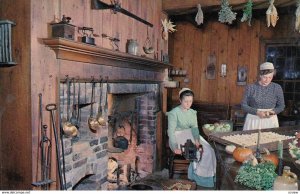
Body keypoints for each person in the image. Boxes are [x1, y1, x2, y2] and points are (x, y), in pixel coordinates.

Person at [167, 88, 216, 188]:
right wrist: (174, 146)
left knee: (209, 150)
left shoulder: (193, 112)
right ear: (180, 100)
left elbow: (194, 128)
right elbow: (171, 132)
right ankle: (196, 176)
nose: (188, 104)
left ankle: (206, 178)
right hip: (178, 135)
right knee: (196, 151)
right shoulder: (173, 113)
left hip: (191, 134)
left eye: (190, 101)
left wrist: (197, 140)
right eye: (186, 101)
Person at [241, 62, 285, 131]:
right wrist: (257, 112)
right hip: (253, 119)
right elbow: (244, 105)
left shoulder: (277, 88)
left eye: (270, 77)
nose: (267, 80)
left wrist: (272, 112)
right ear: (260, 75)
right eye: (265, 77)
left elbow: (281, 106)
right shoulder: (251, 87)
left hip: (270, 120)